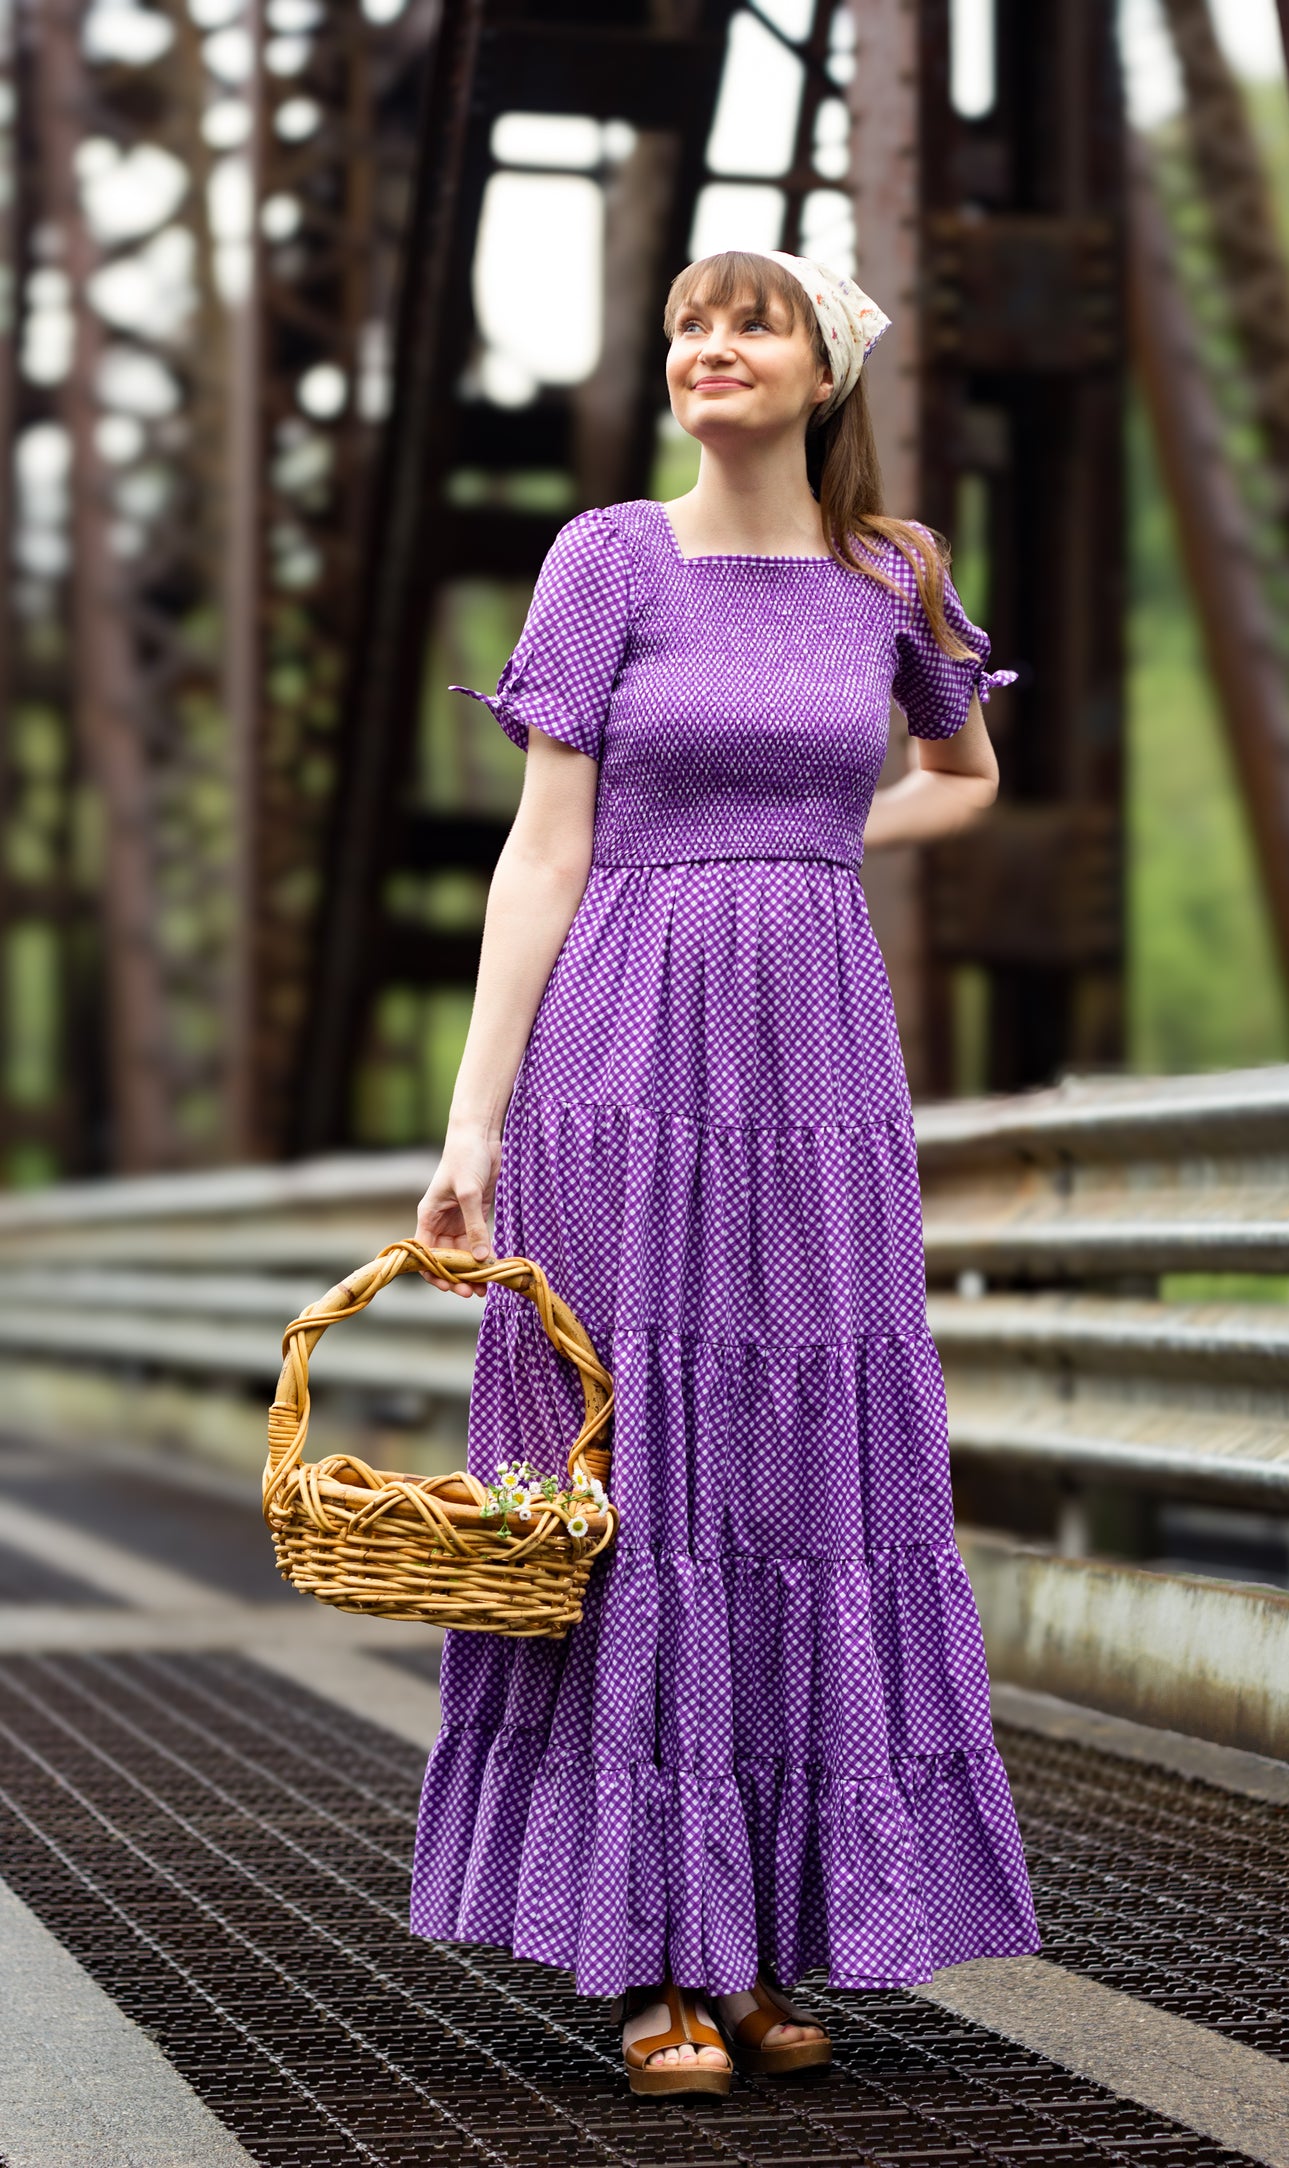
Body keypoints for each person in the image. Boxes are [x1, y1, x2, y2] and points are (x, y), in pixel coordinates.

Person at [408, 246, 1040, 2095]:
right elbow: (542, 852)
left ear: (823, 366)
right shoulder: (609, 556)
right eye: (689, 324)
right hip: (622, 1042)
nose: (709, 348)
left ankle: (774, 1937)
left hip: (818, 1058)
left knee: (802, 1462)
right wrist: (472, 1121)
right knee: (646, 1457)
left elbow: (967, 768)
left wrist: (810, 835)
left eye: (750, 322)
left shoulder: (890, 573)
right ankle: (655, 1956)